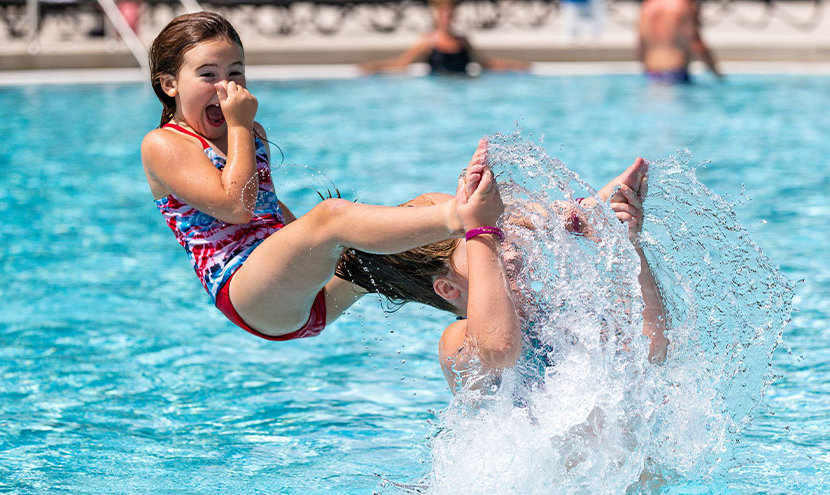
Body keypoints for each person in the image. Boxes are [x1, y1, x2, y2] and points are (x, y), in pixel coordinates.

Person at [140, 12, 502, 341]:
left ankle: (508, 261)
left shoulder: (250, 131)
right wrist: (239, 125)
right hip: (250, 294)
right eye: (208, 74)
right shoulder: (165, 144)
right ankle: (461, 215)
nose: (226, 87)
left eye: (235, 72)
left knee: (422, 209)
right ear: (170, 84)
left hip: (303, 293)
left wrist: (322, 253)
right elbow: (237, 207)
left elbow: (267, 205)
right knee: (333, 217)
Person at [337, 158, 669, 392]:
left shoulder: (555, 318)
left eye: (498, 231)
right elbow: (499, 348)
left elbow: (650, 349)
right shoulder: (457, 342)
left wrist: (629, 247)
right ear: (448, 288)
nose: (502, 239)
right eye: (481, 240)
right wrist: (480, 226)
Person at [358, 0, 529, 76]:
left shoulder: (463, 41)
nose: (448, 18)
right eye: (445, 14)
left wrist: (516, 65)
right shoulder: (429, 41)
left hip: (462, 89)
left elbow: (487, 64)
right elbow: (402, 64)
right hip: (438, 90)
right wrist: (375, 66)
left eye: (451, 14)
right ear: (437, 16)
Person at [636, 0, 722, 84]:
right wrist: (716, 73)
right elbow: (695, 43)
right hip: (676, 74)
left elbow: (641, 43)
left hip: (651, 74)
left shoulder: (647, 6)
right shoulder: (684, 6)